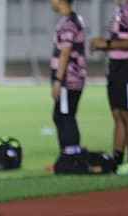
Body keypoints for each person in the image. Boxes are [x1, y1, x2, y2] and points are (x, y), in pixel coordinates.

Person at [89, 0, 128, 175]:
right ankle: (118, 160)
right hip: (116, 67)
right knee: (118, 114)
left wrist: (104, 44)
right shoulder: (119, 10)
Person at [50, 0, 86, 156]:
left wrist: (58, 80)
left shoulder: (69, 23)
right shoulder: (73, 19)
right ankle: (68, 155)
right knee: (60, 116)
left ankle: (71, 156)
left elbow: (66, 51)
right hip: (72, 77)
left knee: (65, 116)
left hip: (68, 78)